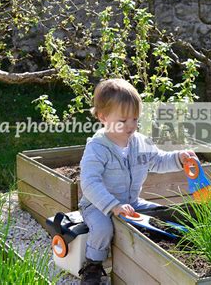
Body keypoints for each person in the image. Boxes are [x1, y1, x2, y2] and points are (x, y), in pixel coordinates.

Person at [77, 78, 195, 284]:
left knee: (161, 216)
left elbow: (158, 160)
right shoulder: (98, 148)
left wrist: (179, 158)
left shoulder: (140, 142)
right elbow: (89, 183)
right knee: (104, 229)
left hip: (131, 202)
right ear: (103, 117)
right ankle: (92, 265)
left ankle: (161, 256)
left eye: (135, 119)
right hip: (98, 205)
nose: (130, 125)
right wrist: (113, 206)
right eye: (123, 121)